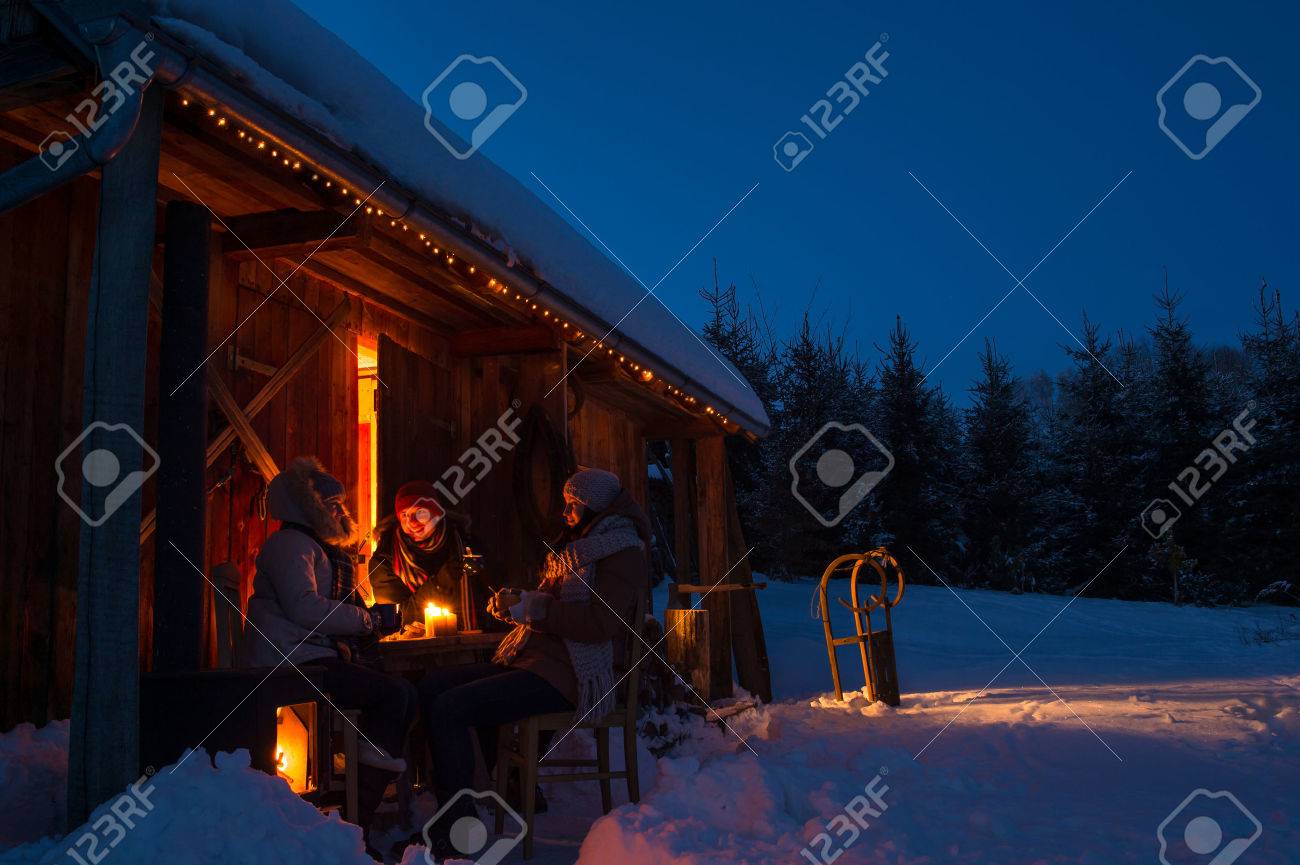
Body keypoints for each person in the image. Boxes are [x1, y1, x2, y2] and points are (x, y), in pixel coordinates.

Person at [407, 468, 650, 862]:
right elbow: (558, 606)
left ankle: (455, 832)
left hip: (575, 675)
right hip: (541, 662)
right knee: (435, 684)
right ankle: (481, 796)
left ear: (595, 508)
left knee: (452, 707)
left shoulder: (620, 552)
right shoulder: (582, 547)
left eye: (574, 505)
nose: (565, 512)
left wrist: (537, 610)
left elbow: (600, 624)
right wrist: (518, 603)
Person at [240, 456, 417, 855]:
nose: (340, 511)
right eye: (331, 505)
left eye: (340, 505)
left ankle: (361, 806)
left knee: (402, 692)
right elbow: (304, 607)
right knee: (394, 695)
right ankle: (359, 823)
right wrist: (363, 620)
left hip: (305, 657)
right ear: (309, 506)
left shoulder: (310, 546)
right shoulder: (290, 545)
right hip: (287, 664)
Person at [367, 480, 496, 632]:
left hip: (473, 642)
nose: (411, 522)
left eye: (420, 512)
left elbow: (492, 594)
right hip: (416, 649)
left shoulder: (465, 543)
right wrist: (441, 583)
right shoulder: (385, 559)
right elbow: (395, 618)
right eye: (404, 514)